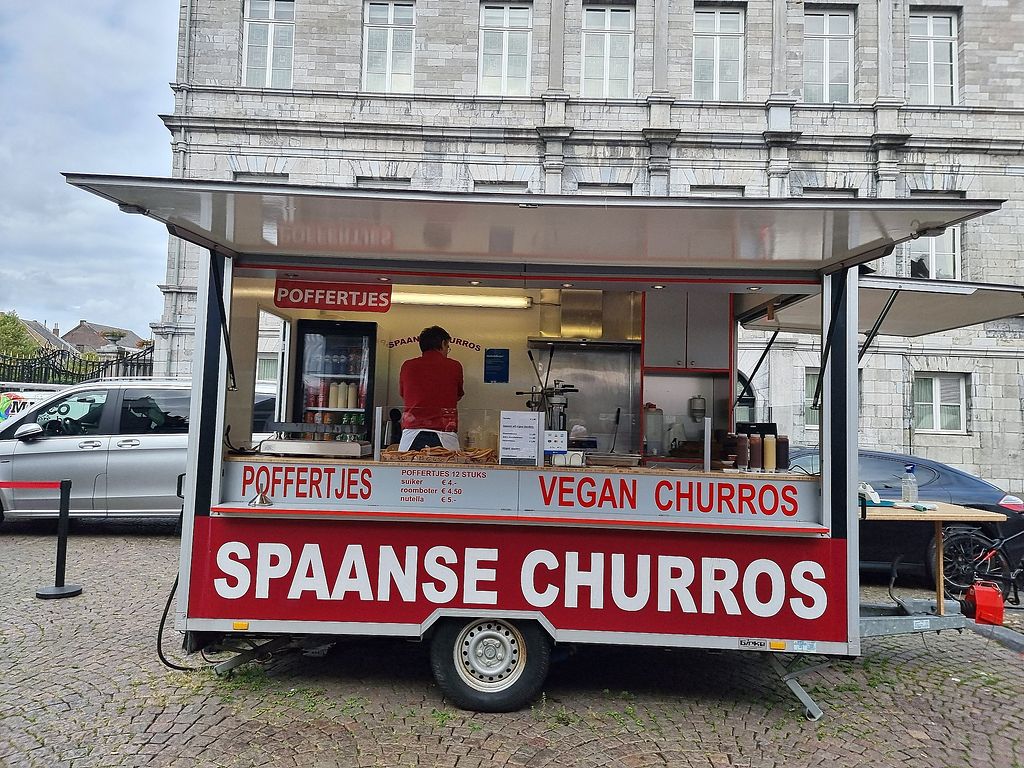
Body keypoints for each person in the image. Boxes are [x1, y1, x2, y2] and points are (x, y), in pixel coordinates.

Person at [398, 325, 464, 451]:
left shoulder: (408, 366)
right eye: (447, 347)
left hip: (411, 432)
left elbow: (403, 394)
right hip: (445, 433)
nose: (447, 351)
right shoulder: (454, 366)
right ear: (443, 343)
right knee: (449, 465)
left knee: (406, 464)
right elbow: (458, 395)